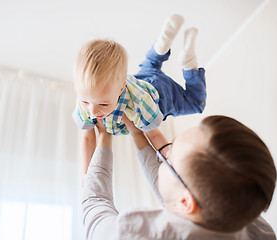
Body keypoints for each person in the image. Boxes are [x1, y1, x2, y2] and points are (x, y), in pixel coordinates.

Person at [82, 115, 277, 239]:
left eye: (169, 159)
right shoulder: (255, 228)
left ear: (186, 202)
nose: (162, 155)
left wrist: (103, 136)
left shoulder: (137, 233)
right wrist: (137, 134)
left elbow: (95, 203)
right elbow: (179, 189)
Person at [72, 14, 206, 174]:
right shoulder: (91, 96)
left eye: (103, 104)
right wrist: (86, 173)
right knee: (149, 65)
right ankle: (160, 46)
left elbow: (155, 135)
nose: (92, 111)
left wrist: (169, 156)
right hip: (142, 80)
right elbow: (87, 137)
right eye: (85, 101)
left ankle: (189, 62)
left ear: (120, 90)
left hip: (162, 97)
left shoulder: (137, 106)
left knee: (196, 104)